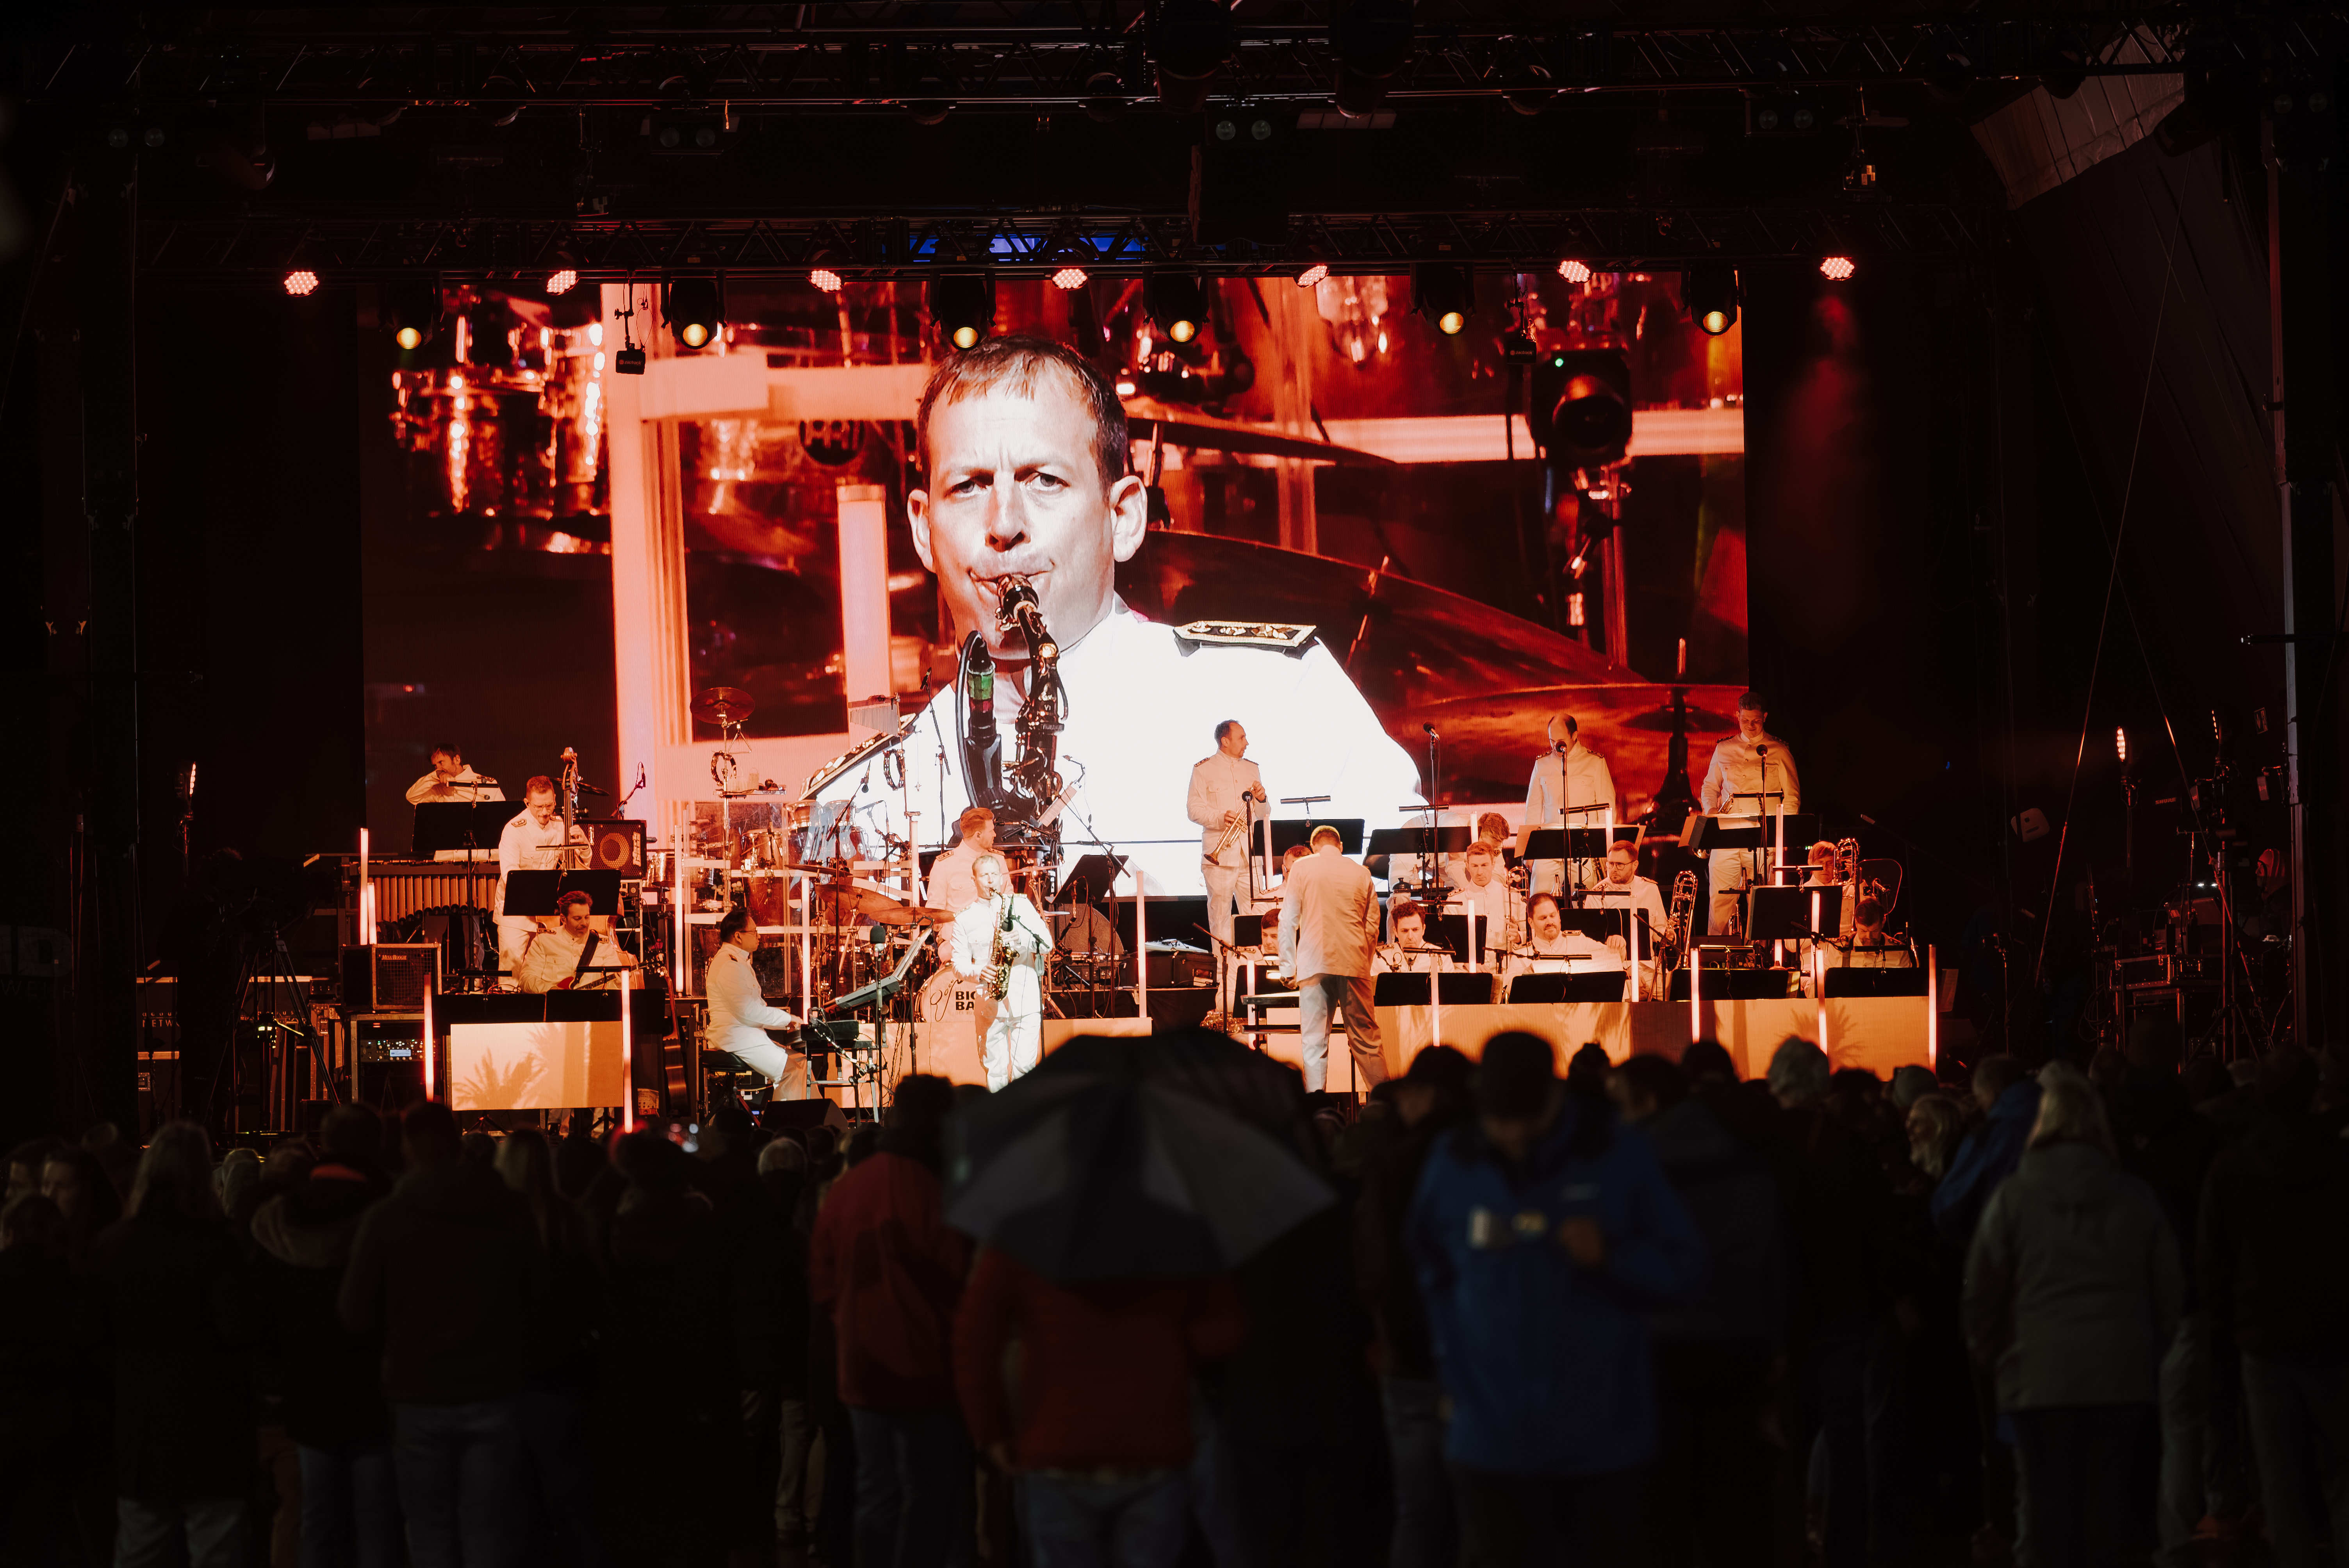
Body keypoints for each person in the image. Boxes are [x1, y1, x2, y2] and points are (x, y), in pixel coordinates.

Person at [809, 334, 1422, 899]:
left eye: (1044, 480)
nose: (1004, 524)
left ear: (1123, 516)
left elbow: (1407, 894)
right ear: (923, 529)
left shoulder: (1277, 699)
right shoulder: (865, 799)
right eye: (969, 486)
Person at [1408, 1033, 1706, 1568]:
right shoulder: (1454, 1163)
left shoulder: (1615, 1154)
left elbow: (1686, 1270)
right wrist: (1453, 1377)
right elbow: (1429, 1275)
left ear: (1555, 1096)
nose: (1514, 1134)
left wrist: (1612, 1257)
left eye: (1525, 1118)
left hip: (1602, 1441)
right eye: (1501, 1120)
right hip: (1491, 1440)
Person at [1965, 1073, 2183, 1568]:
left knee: (2044, 1501)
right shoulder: (2133, 1196)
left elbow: (1982, 1290)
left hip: (2035, 1371)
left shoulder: (2013, 1197)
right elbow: (2168, 1287)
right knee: (2107, 1498)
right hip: (2118, 1368)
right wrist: (2148, 1346)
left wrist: (1995, 1355)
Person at [340, 1101, 542, 1568]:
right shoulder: (508, 1208)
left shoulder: (389, 1217)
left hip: (418, 1388)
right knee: (488, 1526)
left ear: (408, 1147)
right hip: (494, 1385)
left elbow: (354, 1311)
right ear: (457, 1143)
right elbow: (540, 1294)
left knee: (429, 1527)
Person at [954, 1244, 1244, 1568]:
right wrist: (1164, 1338)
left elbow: (975, 1336)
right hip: (1151, 1447)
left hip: (1058, 1446)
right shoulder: (1177, 1236)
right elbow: (1223, 1332)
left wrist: (991, 1430)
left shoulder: (1025, 1236)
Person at [1608, 1051, 1780, 1568]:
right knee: (1732, 1502)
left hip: (1655, 1348)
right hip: (1739, 1343)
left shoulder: (1630, 1167)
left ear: (1646, 1101)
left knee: (1658, 1508)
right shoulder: (1747, 1155)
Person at [807, 1076, 970, 1568]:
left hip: (861, 1364)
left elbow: (823, 1281)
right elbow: (959, 1283)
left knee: (875, 1487)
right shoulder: (940, 1188)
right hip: (927, 1366)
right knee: (929, 1490)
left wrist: (854, 1320)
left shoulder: (850, 1187)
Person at [2197, 1048, 2349, 1568]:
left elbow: (2212, 1259)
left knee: (2279, 1479)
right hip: (2333, 1333)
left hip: (2263, 1339)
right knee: (2342, 1471)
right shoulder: (2339, 1160)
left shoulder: (2234, 1166)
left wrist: (2230, 1324)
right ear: (2314, 1093)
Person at [88, 1124, 254, 1568]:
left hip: (142, 1426)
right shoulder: (220, 1247)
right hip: (212, 1423)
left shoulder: (114, 1246)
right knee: (217, 1550)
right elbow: (240, 1328)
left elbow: (93, 1335)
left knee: (140, 1549)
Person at [249, 1106, 401, 1568]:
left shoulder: (277, 1220)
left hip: (305, 1389)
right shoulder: (389, 1214)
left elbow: (260, 1317)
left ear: (324, 1145)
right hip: (374, 1386)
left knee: (315, 1520)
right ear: (376, 1146)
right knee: (375, 1519)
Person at [1355, 1045, 1474, 1568]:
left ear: (1425, 1095)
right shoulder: (1489, 1156)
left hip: (1408, 1352)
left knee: (1417, 1510)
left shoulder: (1398, 1164)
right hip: (1478, 1350)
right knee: (1481, 1508)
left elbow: (1376, 1262)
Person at [1277, 824, 1388, 1093]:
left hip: (1314, 964)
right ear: (1340, 846)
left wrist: (1288, 968)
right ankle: (1387, 1103)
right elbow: (1372, 926)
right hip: (1354, 964)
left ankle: (1317, 1107)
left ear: (1314, 846)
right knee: (1367, 1041)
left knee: (1315, 1043)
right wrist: (1363, 962)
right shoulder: (1362, 873)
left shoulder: (1302, 868)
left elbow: (1288, 919)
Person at [950, 852, 1055, 1092]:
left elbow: (1047, 944)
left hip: (1025, 1000)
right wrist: (979, 971)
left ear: (1001, 877)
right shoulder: (965, 919)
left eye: (995, 875)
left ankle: (1024, 1115)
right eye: (984, 875)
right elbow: (958, 964)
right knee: (995, 1073)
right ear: (974, 880)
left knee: (1024, 1072)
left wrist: (1022, 938)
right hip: (990, 1003)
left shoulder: (1021, 906)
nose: (991, 880)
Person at [1700, 692, 1801, 936]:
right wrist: (1712, 813)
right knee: (1720, 900)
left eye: (1756, 720)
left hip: (1764, 838)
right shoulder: (1724, 748)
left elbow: (1792, 797)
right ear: (1737, 716)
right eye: (1745, 720)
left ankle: (1762, 952)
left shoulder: (1778, 750)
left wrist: (1781, 838)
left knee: (1764, 902)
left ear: (1765, 717)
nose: (1751, 726)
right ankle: (1719, 952)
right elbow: (1710, 786)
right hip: (1727, 836)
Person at [1190, 719, 1267, 1006]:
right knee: (1221, 925)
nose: (1247, 743)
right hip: (1220, 856)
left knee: (1257, 920)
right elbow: (1193, 809)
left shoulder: (1252, 768)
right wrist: (1219, 818)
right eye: (1242, 737)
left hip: (1249, 857)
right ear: (1226, 741)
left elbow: (1264, 813)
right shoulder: (1204, 769)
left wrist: (1262, 798)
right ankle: (1224, 996)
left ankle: (1257, 988)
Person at [704, 906, 805, 1095]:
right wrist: (787, 1019)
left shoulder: (740, 961)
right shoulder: (728, 964)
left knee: (802, 1062)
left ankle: (816, 1113)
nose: (759, 936)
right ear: (738, 936)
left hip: (746, 1035)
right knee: (791, 1072)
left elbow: (753, 1010)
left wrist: (786, 1023)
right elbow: (748, 1011)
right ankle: (786, 1116)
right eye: (754, 932)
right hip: (736, 1038)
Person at [495, 776, 587, 979]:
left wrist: (584, 846)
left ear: (555, 800)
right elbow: (511, 877)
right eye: (539, 807)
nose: (545, 812)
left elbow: (580, 868)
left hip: (548, 915)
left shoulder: (561, 825)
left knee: (549, 974)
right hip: (516, 915)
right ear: (527, 803)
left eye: (549, 805)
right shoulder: (513, 830)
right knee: (512, 974)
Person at [1522, 713, 1617, 894]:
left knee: (1586, 898)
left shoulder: (1595, 762)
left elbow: (1607, 809)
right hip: (1549, 845)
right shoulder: (1542, 764)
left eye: (1560, 741)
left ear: (1575, 736)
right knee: (1539, 896)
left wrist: (1604, 851)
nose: (1556, 746)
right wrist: (1530, 852)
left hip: (1584, 847)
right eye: (1552, 741)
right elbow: (1532, 809)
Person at [1579, 839, 1668, 993]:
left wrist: (1667, 935)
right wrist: (1626, 970)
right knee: (1626, 992)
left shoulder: (1650, 888)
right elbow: (1591, 943)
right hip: (1615, 966)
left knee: (1675, 990)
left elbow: (1659, 928)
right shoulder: (1596, 894)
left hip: (1648, 965)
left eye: (1620, 865)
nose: (1614, 869)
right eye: (1610, 864)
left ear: (1635, 865)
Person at [511, 889, 640, 994]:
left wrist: (619, 982)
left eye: (587, 917)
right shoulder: (544, 941)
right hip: (552, 1011)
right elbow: (526, 980)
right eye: (578, 919)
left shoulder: (603, 946)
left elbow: (612, 991)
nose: (584, 923)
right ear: (564, 919)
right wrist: (551, 990)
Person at [1502, 892, 1623, 990]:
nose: (1550, 922)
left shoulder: (1578, 941)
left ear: (1559, 916)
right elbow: (1507, 985)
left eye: (1553, 916)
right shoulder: (1522, 954)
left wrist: (1619, 945)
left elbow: (1613, 959)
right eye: (1543, 918)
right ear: (1531, 922)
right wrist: (1524, 977)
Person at [1450, 841, 1522, 964]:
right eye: (1475, 866)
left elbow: (1532, 935)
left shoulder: (1513, 896)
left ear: (1493, 865)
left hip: (1508, 967)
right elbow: (1451, 944)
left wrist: (1519, 937)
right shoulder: (1455, 901)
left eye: (1484, 865)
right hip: (1471, 970)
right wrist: (1468, 965)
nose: (1480, 872)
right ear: (1467, 866)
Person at [925, 805, 998, 916]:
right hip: (957, 927)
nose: (995, 835)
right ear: (978, 835)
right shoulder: (944, 865)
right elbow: (936, 911)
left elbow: (1009, 901)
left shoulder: (998, 860)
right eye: (991, 831)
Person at [1825, 897, 1915, 969]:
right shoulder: (1837, 949)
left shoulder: (1899, 952)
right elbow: (1825, 982)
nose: (1869, 937)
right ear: (1856, 923)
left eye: (1874, 931)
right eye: (1864, 931)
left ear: (1883, 922)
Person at [1373, 897, 1453, 975]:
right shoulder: (1381, 958)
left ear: (1423, 930)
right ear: (1396, 932)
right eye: (1405, 931)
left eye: (1415, 930)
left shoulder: (1442, 958)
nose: (1410, 937)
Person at [405, 744, 504, 806]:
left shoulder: (487, 784)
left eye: (441, 762)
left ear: (457, 759)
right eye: (435, 766)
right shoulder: (439, 789)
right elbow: (412, 797)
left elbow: (503, 816)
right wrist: (436, 775)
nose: (438, 768)